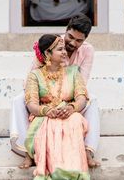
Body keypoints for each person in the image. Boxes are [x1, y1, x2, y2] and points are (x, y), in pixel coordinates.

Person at [11, 14, 100, 168]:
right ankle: (27, 152)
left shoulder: (88, 51)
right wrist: (46, 104)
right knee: (18, 100)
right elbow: (33, 77)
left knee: (92, 99)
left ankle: (88, 151)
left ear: (84, 40)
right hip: (44, 94)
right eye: (70, 37)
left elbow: (82, 83)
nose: (72, 43)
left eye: (79, 40)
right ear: (66, 30)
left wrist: (70, 105)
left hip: (70, 93)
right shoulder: (51, 43)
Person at [20, 33, 91, 179]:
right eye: (60, 49)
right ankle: (57, 170)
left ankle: (76, 171)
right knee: (51, 126)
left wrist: (72, 108)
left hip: (69, 113)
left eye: (64, 48)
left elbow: (82, 98)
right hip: (44, 115)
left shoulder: (73, 72)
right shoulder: (35, 75)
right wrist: (47, 111)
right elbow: (31, 104)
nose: (65, 52)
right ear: (47, 53)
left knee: (76, 120)